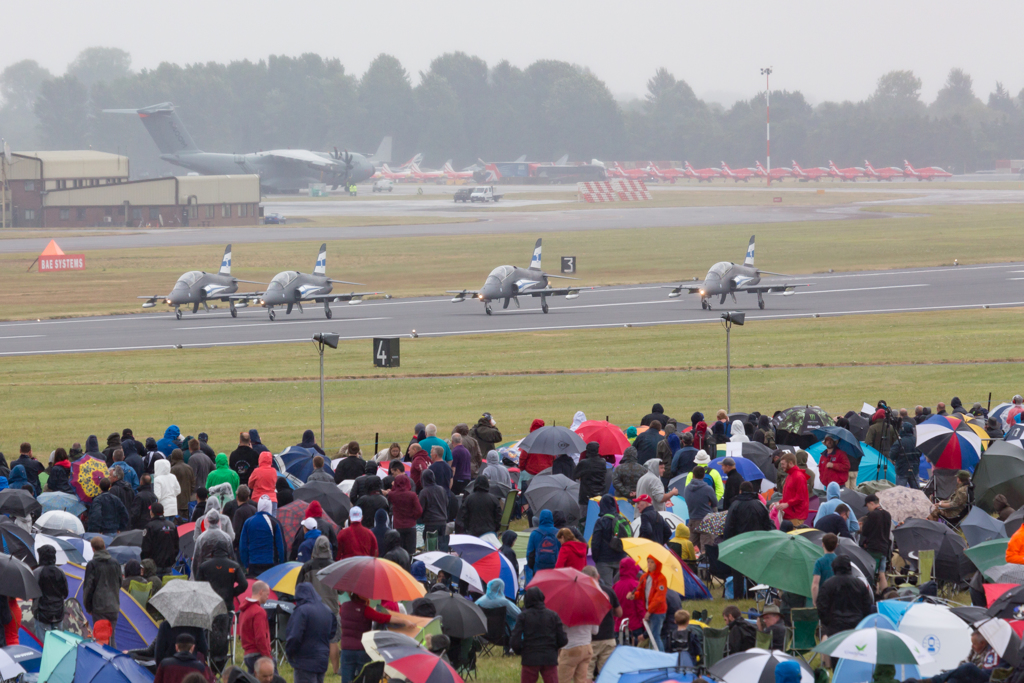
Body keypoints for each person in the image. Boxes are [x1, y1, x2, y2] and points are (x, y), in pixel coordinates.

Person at [298, 537, 341, 677]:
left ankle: (316, 668)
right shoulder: (335, 566)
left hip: (313, 609)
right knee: (333, 640)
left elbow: (299, 588)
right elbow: (341, 590)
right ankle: (335, 670)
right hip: (332, 608)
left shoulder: (307, 566)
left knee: (313, 640)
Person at [511, 586, 568, 683]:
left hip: (530, 657)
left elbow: (515, 640)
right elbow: (563, 639)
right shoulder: (553, 615)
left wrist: (521, 651)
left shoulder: (523, 617)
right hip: (549, 657)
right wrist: (553, 647)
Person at [285, 583, 337, 683]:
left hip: (305, 660)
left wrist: (290, 652)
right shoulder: (327, 610)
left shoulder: (302, 611)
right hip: (322, 659)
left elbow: (295, 636)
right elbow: (332, 633)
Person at [339, 593, 391, 683]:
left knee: (346, 679)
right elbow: (383, 618)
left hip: (346, 649)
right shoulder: (366, 610)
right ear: (360, 595)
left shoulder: (343, 607)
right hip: (362, 649)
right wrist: (404, 620)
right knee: (364, 678)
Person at [817, 555, 874, 636]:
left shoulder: (828, 584)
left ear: (834, 567)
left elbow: (821, 607)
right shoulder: (860, 584)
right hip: (856, 625)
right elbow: (867, 606)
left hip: (834, 627)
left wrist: (829, 623)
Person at [579, 566, 620, 679]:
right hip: (608, 637)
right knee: (606, 673)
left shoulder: (582, 593)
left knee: (586, 673)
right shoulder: (609, 591)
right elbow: (619, 613)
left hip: (590, 639)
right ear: (598, 577)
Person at [83, 537, 122, 647]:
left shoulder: (92, 565)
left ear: (93, 549)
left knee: (100, 638)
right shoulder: (115, 563)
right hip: (113, 606)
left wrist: (88, 607)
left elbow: (88, 588)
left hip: (99, 607)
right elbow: (120, 582)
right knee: (111, 635)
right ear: (104, 547)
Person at [629, 556, 668, 651]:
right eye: (648, 562)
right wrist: (634, 596)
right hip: (649, 610)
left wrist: (649, 611)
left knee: (655, 636)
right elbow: (641, 592)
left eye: (652, 562)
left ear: (657, 564)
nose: (649, 564)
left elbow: (659, 598)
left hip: (658, 611)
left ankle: (661, 656)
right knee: (652, 636)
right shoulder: (644, 577)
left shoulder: (661, 578)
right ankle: (655, 654)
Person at [240, 496, 286, 575]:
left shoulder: (248, 522)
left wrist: (246, 564)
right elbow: (280, 547)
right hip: (270, 563)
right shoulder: (274, 522)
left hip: (253, 563)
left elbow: (243, 546)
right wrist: (281, 563)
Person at [195, 544, 247, 613]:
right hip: (227, 604)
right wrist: (232, 593)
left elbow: (198, 585)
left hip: (209, 605)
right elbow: (244, 584)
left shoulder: (204, 566)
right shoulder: (235, 566)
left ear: (212, 554)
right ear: (227, 553)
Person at [590, 495, 629, 585]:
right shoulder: (622, 519)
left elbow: (595, 543)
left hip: (604, 561)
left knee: (606, 589)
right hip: (621, 558)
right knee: (620, 588)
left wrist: (597, 559)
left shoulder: (601, 521)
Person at [32, 545, 68, 639]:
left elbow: (33, 593)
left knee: (42, 645)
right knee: (57, 642)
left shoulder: (37, 572)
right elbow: (65, 593)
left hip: (42, 613)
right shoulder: (61, 572)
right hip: (58, 612)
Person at [860, 493, 892, 591]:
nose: (867, 508)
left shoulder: (872, 515)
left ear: (871, 503)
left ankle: (873, 595)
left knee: (872, 574)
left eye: (867, 506)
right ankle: (884, 594)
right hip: (885, 548)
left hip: (874, 548)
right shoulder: (887, 514)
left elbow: (865, 531)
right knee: (882, 574)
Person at [239, 581, 273, 674]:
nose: (268, 597)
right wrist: (267, 657)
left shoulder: (243, 610)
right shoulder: (259, 611)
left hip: (248, 654)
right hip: (259, 654)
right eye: (267, 594)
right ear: (261, 592)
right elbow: (260, 637)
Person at [683, 466, 718, 552]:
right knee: (706, 551)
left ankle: (691, 565)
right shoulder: (708, 489)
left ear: (693, 475)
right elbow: (715, 503)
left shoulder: (687, 489)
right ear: (703, 476)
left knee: (691, 550)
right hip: (706, 521)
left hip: (692, 521)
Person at [386, 474, 421, 556]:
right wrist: (413, 517)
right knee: (411, 552)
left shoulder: (392, 495)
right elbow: (419, 510)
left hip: (398, 526)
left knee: (398, 552)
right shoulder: (412, 495)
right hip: (410, 525)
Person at [558, 611, 597, 683]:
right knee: (581, 680)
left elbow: (560, 630)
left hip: (571, 647)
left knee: (563, 680)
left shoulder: (566, 612)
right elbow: (595, 631)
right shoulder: (590, 612)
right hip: (587, 647)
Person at [142, 502, 180, 575]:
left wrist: (146, 563)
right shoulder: (172, 526)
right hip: (168, 565)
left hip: (154, 566)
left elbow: (145, 548)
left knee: (155, 585)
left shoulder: (150, 527)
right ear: (163, 512)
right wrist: (171, 559)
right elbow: (176, 546)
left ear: (151, 512)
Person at [417, 470, 449, 551]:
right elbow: (447, 503)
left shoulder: (424, 492)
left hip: (430, 523)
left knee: (430, 549)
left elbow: (420, 509)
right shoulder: (442, 489)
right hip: (443, 522)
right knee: (442, 548)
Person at [775, 452, 808, 527]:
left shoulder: (799, 476)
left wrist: (787, 504)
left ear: (790, 463)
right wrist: (778, 503)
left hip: (796, 516)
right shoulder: (790, 476)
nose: (781, 466)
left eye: (783, 464)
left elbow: (800, 497)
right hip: (789, 515)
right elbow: (788, 496)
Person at [526, 510, 560, 574]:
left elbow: (529, 555)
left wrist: (534, 569)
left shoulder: (534, 534)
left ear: (540, 519)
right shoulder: (559, 533)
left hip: (538, 571)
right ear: (552, 518)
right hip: (555, 571)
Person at [890, 422, 920, 489]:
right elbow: (920, 453)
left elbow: (892, 455)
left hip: (901, 470)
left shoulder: (899, 442)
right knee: (917, 492)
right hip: (914, 469)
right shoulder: (917, 441)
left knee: (900, 492)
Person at [812, 533, 839, 605]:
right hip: (838, 598)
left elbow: (815, 584)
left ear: (823, 544)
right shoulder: (840, 561)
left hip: (824, 598)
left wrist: (815, 601)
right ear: (836, 545)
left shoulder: (819, 562)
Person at [169, 449, 196, 518]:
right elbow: (193, 484)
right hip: (187, 501)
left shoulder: (173, 469)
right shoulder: (189, 468)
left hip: (177, 503)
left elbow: (170, 486)